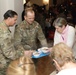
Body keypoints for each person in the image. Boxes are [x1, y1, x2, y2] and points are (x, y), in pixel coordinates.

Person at [0, 10, 25, 75]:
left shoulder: (3, 27)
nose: (15, 22)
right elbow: (8, 53)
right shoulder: (4, 32)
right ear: (9, 18)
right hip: (4, 64)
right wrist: (22, 53)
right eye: (15, 19)